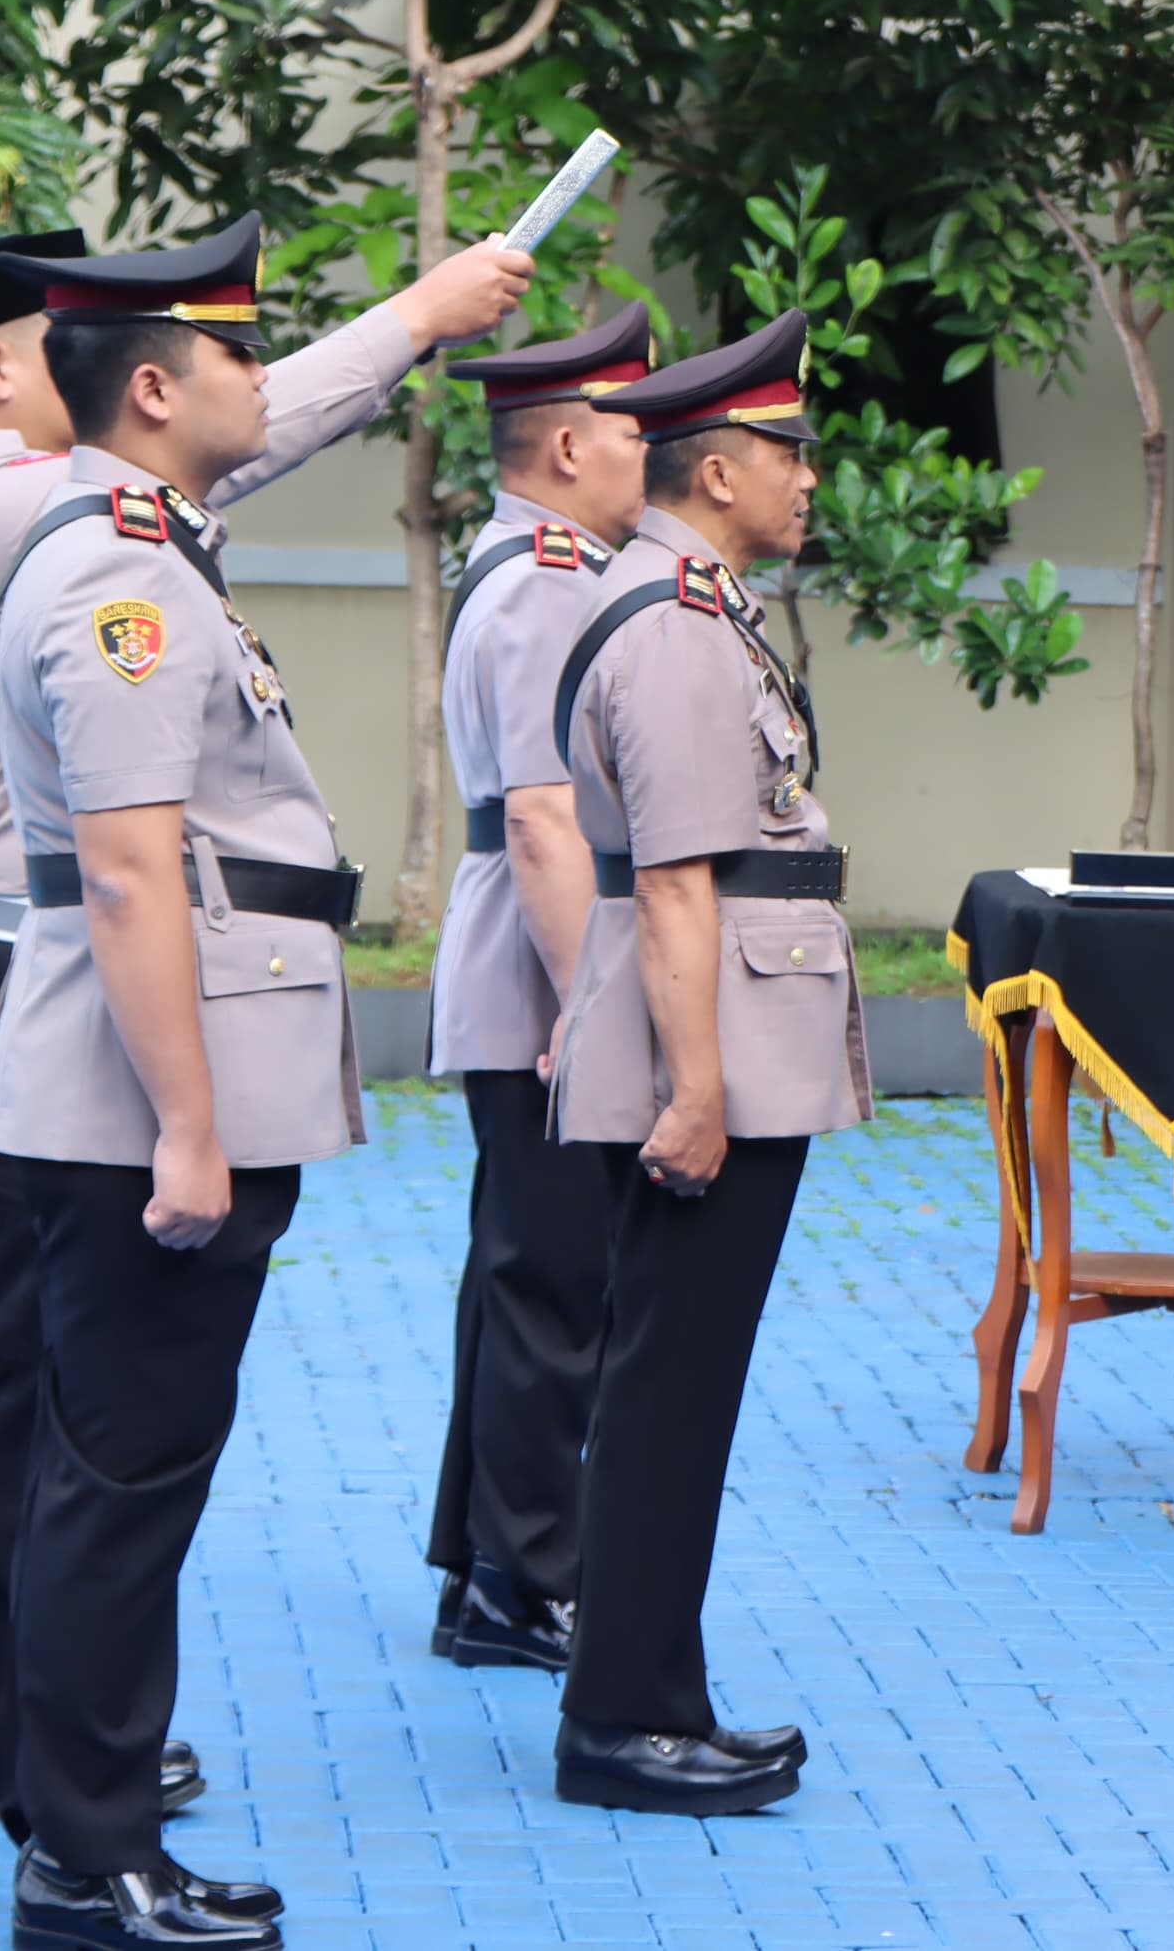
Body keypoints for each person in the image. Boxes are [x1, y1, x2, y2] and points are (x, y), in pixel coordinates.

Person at [0, 216, 526, 1842]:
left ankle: (19, 1735)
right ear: (21, 365)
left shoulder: (36, 501)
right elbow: (242, 428)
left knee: (40, 1386)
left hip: (24, 958)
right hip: (25, 970)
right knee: (43, 1393)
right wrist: (421, 315)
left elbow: (217, 427)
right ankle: (20, 1746)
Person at [547, 314, 861, 1815]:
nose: (812, 476)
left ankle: (652, 1695)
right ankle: (623, 1721)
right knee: (669, 1390)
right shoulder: (672, 622)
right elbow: (677, 879)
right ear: (723, 466)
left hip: (726, 1041)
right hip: (707, 1058)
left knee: (675, 1384)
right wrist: (697, 1086)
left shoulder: (700, 603)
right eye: (793, 453)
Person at [421, 309, 652, 1683]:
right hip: (540, 961)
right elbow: (547, 824)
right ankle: (522, 1577)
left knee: (524, 1270)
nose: (648, 453)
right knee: (558, 1283)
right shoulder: (548, 588)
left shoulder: (528, 570)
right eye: (631, 433)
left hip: (525, 953)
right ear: (567, 446)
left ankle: (487, 1564)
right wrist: (594, 1002)